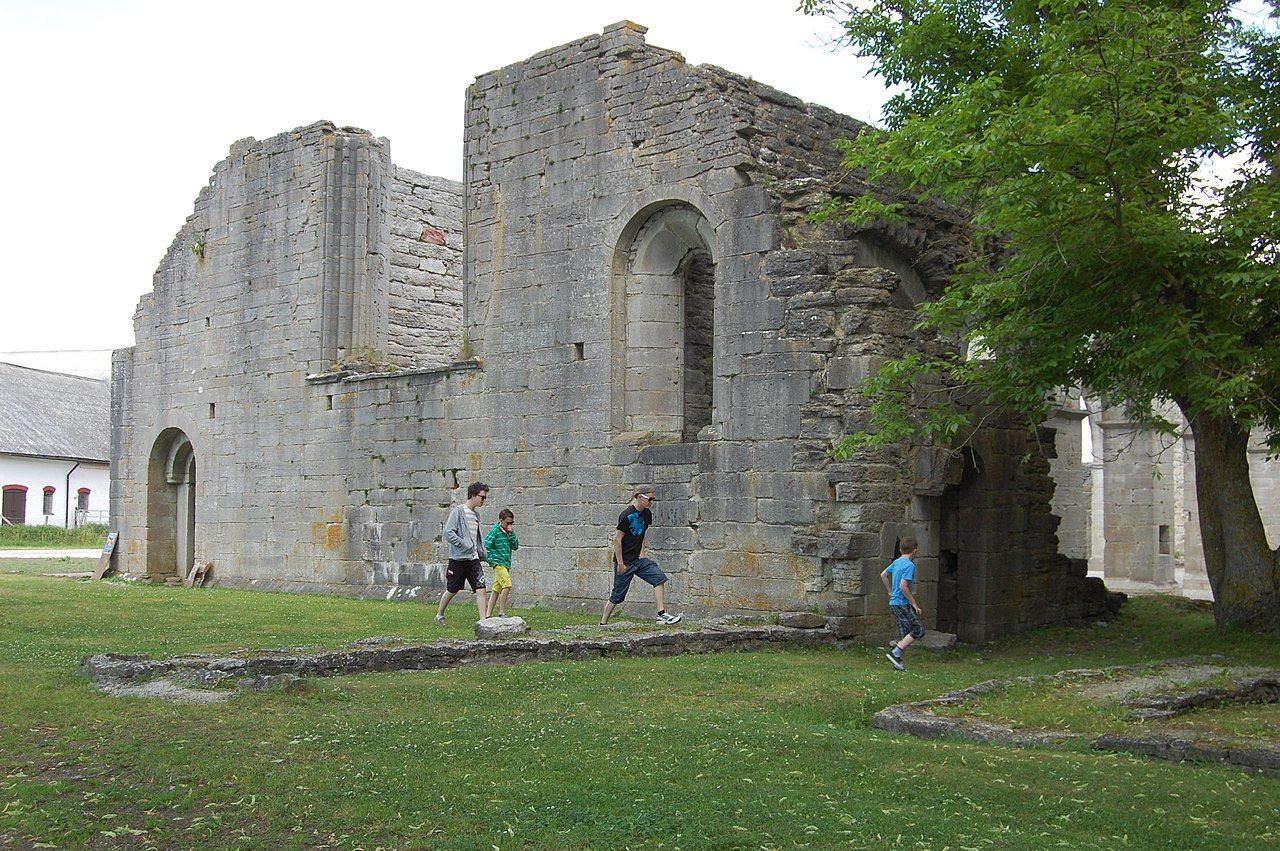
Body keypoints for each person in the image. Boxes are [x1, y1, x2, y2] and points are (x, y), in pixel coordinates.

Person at [600, 488, 682, 626]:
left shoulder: (647, 514)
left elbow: (642, 534)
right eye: (649, 499)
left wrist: (642, 553)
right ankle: (602, 624)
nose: (651, 502)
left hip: (638, 560)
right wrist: (620, 563)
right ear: (639, 497)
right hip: (625, 562)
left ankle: (662, 614)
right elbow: (617, 540)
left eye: (652, 499)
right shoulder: (626, 515)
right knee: (617, 596)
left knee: (659, 578)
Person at [436, 482, 490, 625]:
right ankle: (440, 615)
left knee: (481, 588)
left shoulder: (476, 515)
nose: (484, 500)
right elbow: (448, 532)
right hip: (458, 559)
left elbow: (476, 538)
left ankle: (483, 621)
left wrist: (481, 552)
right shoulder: (458, 511)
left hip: (473, 559)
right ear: (473, 495)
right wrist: (462, 543)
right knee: (452, 589)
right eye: (482, 497)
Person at [881, 536, 924, 670]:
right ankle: (895, 653)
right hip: (901, 603)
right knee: (918, 630)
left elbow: (883, 575)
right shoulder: (909, 565)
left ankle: (897, 663)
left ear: (900, 550)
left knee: (905, 633)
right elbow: (903, 586)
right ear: (915, 551)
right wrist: (914, 604)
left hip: (894, 602)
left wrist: (889, 591)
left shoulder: (897, 562)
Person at [483, 508, 519, 618]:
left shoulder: (509, 532)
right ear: (501, 520)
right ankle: (502, 612)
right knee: (507, 585)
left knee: (496, 589)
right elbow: (486, 545)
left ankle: (488, 614)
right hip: (498, 563)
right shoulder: (495, 531)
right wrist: (491, 560)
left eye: (512, 523)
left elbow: (515, 546)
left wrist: (511, 533)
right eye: (508, 523)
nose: (510, 525)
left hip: (506, 563)